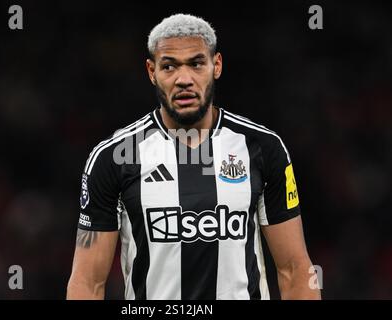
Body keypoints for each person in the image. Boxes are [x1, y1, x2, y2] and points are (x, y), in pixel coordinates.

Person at [67, 13, 321, 300]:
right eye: (169, 66)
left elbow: (295, 269)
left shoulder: (263, 147)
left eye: (196, 63)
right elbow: (87, 283)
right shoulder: (113, 157)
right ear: (152, 72)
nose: (183, 79)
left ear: (217, 65)